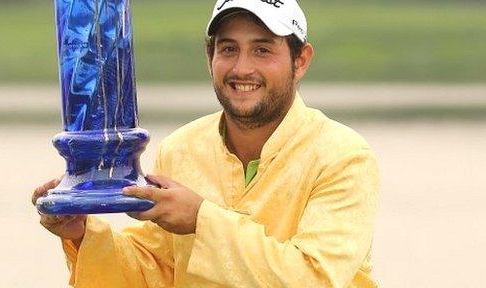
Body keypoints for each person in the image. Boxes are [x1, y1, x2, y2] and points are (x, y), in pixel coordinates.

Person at [32, 0, 379, 287]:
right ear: (209, 55)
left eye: (262, 50)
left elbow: (313, 278)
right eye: (229, 49)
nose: (243, 68)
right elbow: (153, 273)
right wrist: (81, 234)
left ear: (300, 60)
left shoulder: (342, 156)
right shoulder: (182, 148)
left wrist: (201, 219)